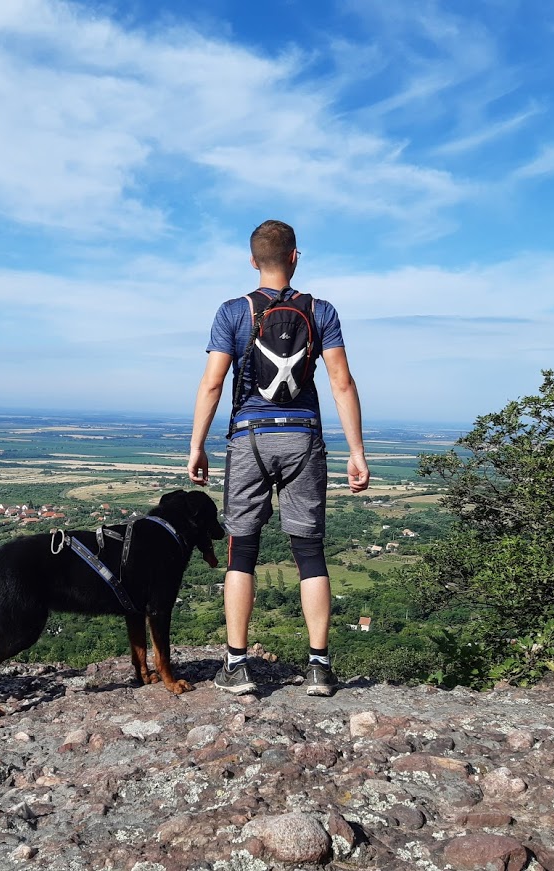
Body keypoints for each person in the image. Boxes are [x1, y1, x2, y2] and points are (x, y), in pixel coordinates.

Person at [187, 219, 369, 696]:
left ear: (252, 260)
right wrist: (357, 451)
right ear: (295, 257)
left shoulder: (233, 312)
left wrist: (197, 445)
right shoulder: (321, 311)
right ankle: (318, 667)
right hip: (304, 437)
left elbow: (212, 383)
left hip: (249, 437)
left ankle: (236, 664)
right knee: (309, 551)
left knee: (241, 549)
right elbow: (341, 383)